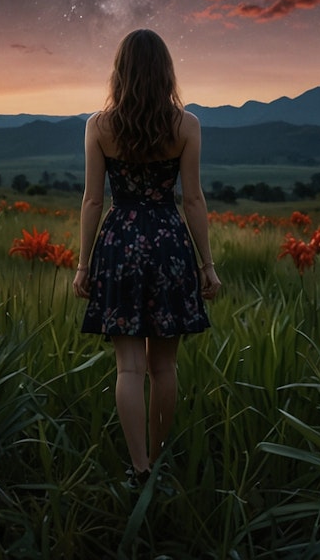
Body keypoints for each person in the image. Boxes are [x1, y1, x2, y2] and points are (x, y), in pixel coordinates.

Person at [73, 28, 221, 485]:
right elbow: (192, 200)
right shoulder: (186, 125)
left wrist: (83, 264)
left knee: (129, 367)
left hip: (120, 244)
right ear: (165, 73)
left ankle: (137, 467)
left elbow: (92, 201)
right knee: (165, 366)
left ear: (120, 72)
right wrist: (207, 265)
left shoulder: (99, 126)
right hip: (169, 244)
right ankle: (158, 460)